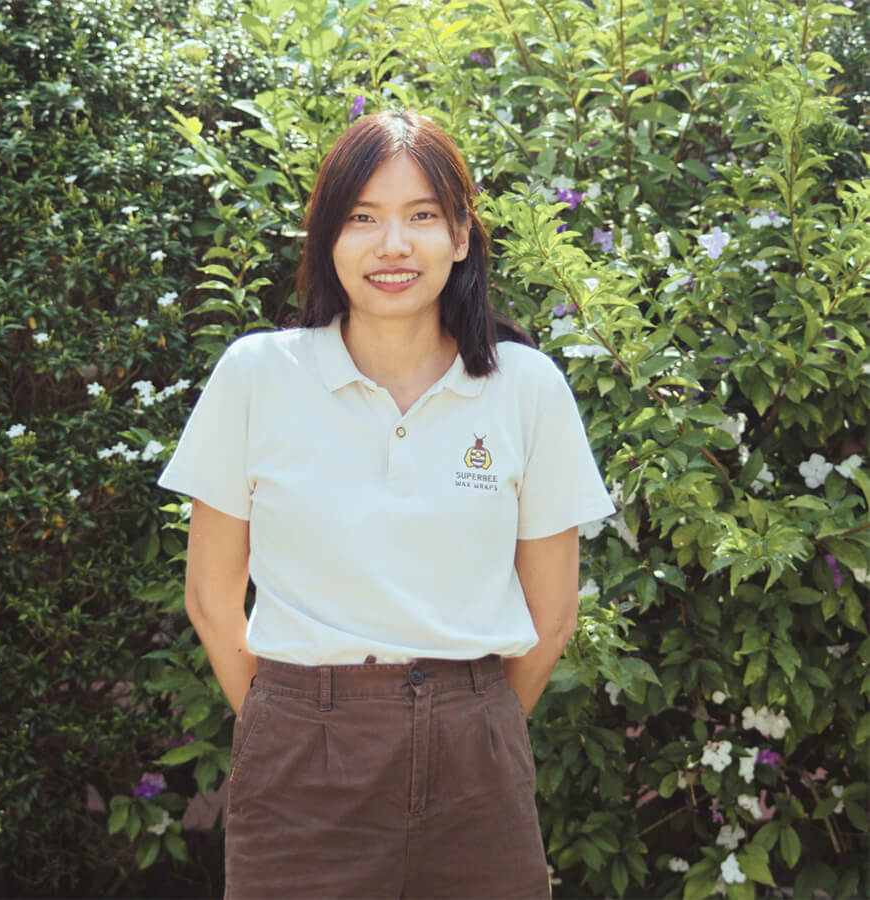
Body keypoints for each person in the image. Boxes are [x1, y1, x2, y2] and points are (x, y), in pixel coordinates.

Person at [158, 109, 615, 899]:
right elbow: (210, 597)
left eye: (421, 217)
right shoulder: (257, 376)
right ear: (327, 239)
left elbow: (553, 616)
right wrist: (298, 723)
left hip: (478, 765)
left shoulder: (526, 388)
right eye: (362, 218)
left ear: (462, 236)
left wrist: (467, 722)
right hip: (300, 764)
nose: (392, 246)